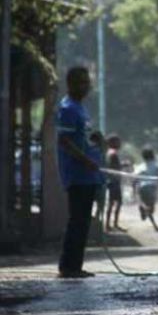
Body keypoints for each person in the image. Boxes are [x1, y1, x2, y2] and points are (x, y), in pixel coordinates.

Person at [55, 66, 105, 279]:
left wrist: (97, 140)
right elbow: (64, 141)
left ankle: (75, 265)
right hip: (78, 175)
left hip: (89, 175)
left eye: (87, 82)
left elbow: (81, 138)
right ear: (70, 84)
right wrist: (86, 161)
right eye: (81, 82)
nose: (85, 87)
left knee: (83, 221)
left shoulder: (81, 109)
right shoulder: (67, 108)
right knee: (77, 220)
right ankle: (68, 266)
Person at [135, 146, 158, 232]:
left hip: (143, 187)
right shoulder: (156, 166)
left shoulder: (140, 166)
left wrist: (135, 186)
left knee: (147, 207)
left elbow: (135, 176)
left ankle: (143, 208)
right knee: (151, 208)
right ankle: (154, 224)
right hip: (152, 188)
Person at [105, 134, 126, 232]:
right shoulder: (113, 153)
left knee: (111, 203)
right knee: (116, 203)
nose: (120, 143)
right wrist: (124, 165)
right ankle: (113, 224)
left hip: (111, 181)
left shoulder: (109, 152)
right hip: (114, 182)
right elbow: (115, 168)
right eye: (118, 141)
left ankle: (109, 224)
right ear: (112, 143)